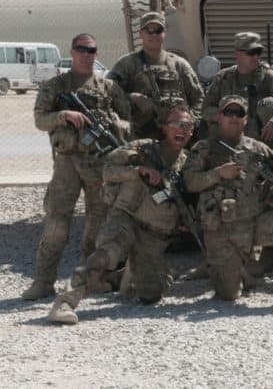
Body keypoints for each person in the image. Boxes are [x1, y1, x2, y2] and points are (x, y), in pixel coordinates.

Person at [47, 107, 195, 325]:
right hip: (127, 217)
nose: (181, 130)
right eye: (175, 124)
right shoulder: (143, 149)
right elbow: (108, 170)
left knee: (152, 293)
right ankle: (66, 302)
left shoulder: (188, 163)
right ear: (164, 128)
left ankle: (124, 275)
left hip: (154, 233)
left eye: (187, 126)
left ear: (192, 132)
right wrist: (137, 172)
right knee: (106, 254)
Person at [22, 34, 131, 301]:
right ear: (72, 52)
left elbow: (128, 123)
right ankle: (44, 281)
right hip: (67, 163)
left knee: (98, 222)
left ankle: (89, 279)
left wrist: (112, 122)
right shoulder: (56, 86)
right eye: (81, 49)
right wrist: (64, 116)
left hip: (99, 164)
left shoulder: (108, 88)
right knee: (57, 222)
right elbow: (39, 119)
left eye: (91, 50)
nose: (86, 54)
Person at [181, 96, 273, 307]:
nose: (234, 118)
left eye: (239, 114)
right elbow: (189, 182)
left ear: (246, 120)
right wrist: (217, 174)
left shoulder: (258, 148)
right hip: (224, 229)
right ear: (219, 117)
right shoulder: (204, 148)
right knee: (227, 294)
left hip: (258, 221)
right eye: (228, 113)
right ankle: (240, 272)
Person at [107, 11, 204, 139]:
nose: (154, 35)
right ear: (141, 34)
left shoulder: (179, 64)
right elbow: (107, 94)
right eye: (149, 31)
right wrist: (132, 97)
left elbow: (199, 98)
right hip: (140, 137)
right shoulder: (127, 64)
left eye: (158, 30)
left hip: (177, 138)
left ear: (164, 33)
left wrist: (189, 121)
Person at [202, 32, 273, 147]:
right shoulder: (223, 77)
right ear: (237, 54)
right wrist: (229, 116)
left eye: (258, 52)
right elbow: (205, 109)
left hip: (262, 142)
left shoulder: (267, 76)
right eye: (251, 53)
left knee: (271, 104)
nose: (256, 57)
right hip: (229, 141)